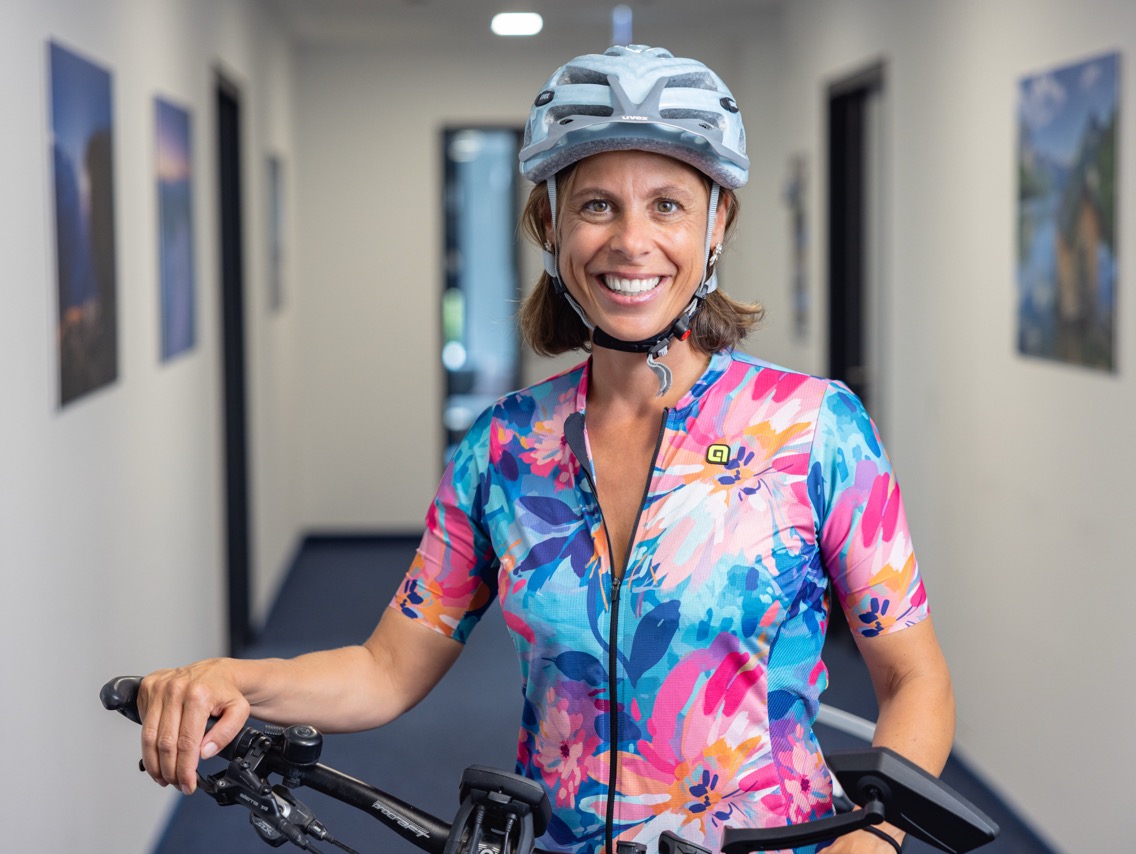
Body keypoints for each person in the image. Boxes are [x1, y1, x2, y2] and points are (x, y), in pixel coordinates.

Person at [138, 45, 954, 854]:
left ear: (717, 225)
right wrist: (232, 678)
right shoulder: (504, 449)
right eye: (598, 205)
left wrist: (871, 844)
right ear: (551, 224)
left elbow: (915, 680)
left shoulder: (814, 429)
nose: (632, 242)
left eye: (667, 204)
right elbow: (385, 669)